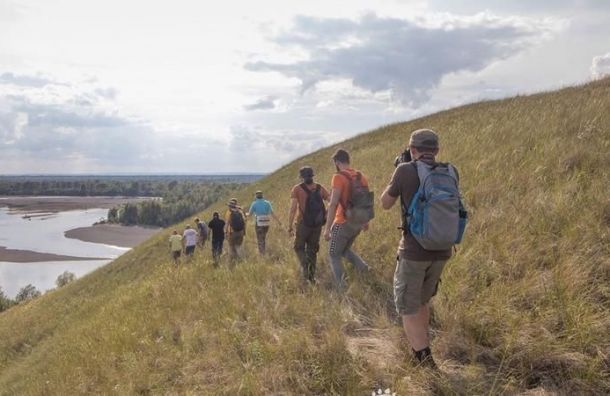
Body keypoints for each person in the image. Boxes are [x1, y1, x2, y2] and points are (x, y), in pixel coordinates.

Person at [380, 128, 460, 369]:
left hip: (414, 252)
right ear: (436, 150)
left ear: (412, 150)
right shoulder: (451, 171)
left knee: (407, 307)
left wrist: (400, 168)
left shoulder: (404, 170)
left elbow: (385, 203)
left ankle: (425, 364)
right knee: (423, 302)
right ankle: (420, 344)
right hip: (442, 250)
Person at [323, 148, 370, 289]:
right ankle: (364, 269)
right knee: (343, 250)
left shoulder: (338, 177)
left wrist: (327, 229)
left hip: (342, 222)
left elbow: (333, 203)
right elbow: (366, 201)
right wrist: (366, 221)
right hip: (357, 222)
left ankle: (341, 287)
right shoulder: (361, 176)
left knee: (333, 254)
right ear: (348, 160)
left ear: (337, 162)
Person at [288, 166, 330, 283]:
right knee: (312, 250)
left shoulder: (297, 189)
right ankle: (311, 278)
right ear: (312, 176)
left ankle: (305, 267)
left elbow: (292, 209)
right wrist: (326, 214)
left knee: (298, 247)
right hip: (317, 225)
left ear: (301, 177)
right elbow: (332, 201)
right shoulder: (320, 188)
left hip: (303, 224)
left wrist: (290, 226)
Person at [247, 190, 282, 255]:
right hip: (266, 222)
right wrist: (278, 222)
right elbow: (272, 213)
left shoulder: (254, 203)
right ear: (262, 196)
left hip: (259, 222)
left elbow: (249, 214)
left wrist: (245, 215)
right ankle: (263, 250)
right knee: (263, 237)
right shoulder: (267, 203)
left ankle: (262, 253)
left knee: (260, 238)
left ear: (256, 196)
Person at [224, 198, 247, 262]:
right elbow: (244, 222)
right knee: (239, 246)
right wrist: (244, 232)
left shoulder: (229, 212)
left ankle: (233, 261)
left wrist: (225, 232)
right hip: (240, 232)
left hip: (232, 233)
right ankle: (242, 260)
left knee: (231, 247)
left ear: (229, 206)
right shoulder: (240, 212)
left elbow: (227, 223)